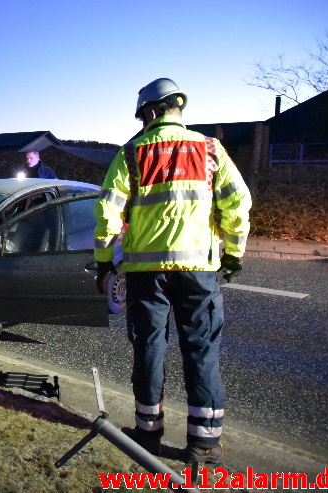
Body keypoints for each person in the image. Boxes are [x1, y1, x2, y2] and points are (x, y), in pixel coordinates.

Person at [93, 78, 251, 465]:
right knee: (202, 350)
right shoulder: (211, 149)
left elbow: (106, 213)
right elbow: (238, 203)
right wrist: (233, 253)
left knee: (149, 348)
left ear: (150, 112)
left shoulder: (131, 153)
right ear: (177, 107)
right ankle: (204, 445)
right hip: (199, 271)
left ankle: (148, 436)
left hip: (147, 273)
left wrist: (102, 262)